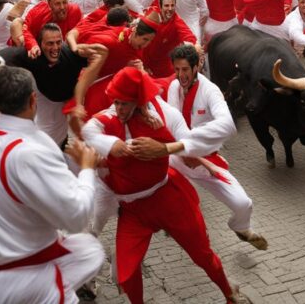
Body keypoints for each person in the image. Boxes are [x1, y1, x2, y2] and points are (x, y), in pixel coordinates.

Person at [81, 67, 248, 304]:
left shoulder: (162, 119)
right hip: (133, 210)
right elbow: (88, 130)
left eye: (124, 104)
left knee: (202, 255)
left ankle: (229, 292)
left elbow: (187, 145)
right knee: (125, 273)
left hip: (168, 201)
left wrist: (181, 155)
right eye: (116, 102)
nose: (118, 109)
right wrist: (110, 145)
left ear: (138, 101)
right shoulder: (109, 117)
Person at [0, 66, 104, 303]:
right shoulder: (29, 151)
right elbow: (77, 216)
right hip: (30, 281)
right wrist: (87, 168)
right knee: (89, 250)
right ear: (32, 98)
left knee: (89, 251)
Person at [166, 45, 268, 249]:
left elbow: (228, 125)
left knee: (243, 204)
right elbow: (171, 125)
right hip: (175, 157)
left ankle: (240, 227)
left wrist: (193, 148)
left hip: (206, 159)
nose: (180, 75)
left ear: (196, 67)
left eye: (185, 69)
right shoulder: (173, 87)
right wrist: (185, 150)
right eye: (176, 70)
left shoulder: (210, 91)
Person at [0, 23, 107, 146]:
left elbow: (101, 53)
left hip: (64, 101)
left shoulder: (72, 54)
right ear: (40, 43)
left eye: (58, 42)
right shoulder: (33, 55)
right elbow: (5, 54)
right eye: (50, 43)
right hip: (46, 104)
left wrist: (78, 100)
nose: (55, 47)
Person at [12, 0, 83, 59]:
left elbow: (81, 34)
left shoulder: (75, 11)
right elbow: (27, 30)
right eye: (57, 4)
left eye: (64, 2)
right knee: (16, 26)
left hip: (65, 52)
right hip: (39, 52)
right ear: (49, 4)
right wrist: (33, 45)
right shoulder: (38, 12)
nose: (62, 7)